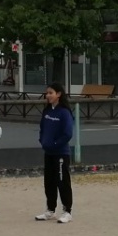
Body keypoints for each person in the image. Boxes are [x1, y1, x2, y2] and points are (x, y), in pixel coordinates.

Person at [35, 82, 75, 224]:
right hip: (49, 153)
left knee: (62, 181)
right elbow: (42, 128)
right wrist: (43, 140)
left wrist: (56, 144)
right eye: (47, 93)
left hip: (61, 154)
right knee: (49, 182)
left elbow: (68, 133)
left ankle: (67, 211)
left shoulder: (64, 112)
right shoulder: (47, 111)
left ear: (58, 94)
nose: (48, 95)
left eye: (51, 93)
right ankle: (50, 210)